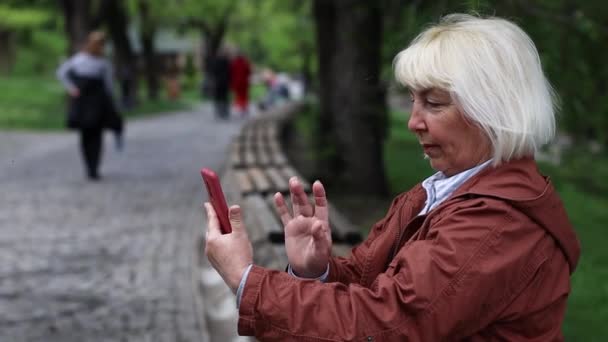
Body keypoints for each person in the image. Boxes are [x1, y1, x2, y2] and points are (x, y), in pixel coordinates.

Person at [204, 14, 581, 341]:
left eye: (433, 104)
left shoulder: (497, 224)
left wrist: (245, 279)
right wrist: (316, 269)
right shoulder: (440, 192)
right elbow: (369, 276)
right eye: (414, 101)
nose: (413, 122)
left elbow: (384, 325)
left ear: (493, 112)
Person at [57, 31, 123, 181]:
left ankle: (93, 167)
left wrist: (112, 101)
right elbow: (61, 73)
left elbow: (109, 85)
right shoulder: (81, 60)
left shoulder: (103, 63)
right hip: (86, 103)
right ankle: (91, 167)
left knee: (94, 136)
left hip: (96, 103)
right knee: (89, 136)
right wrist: (71, 88)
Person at [209, 48, 232, 120]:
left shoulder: (216, 61)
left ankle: (219, 111)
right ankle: (224, 112)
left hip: (218, 82)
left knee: (219, 96)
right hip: (224, 82)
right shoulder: (227, 61)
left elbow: (213, 72)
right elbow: (230, 72)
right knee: (224, 97)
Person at [230, 50, 252, 116]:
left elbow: (231, 72)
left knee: (238, 95)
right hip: (244, 82)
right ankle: (243, 107)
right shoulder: (245, 62)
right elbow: (249, 71)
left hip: (236, 82)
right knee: (244, 95)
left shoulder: (234, 63)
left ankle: (240, 107)